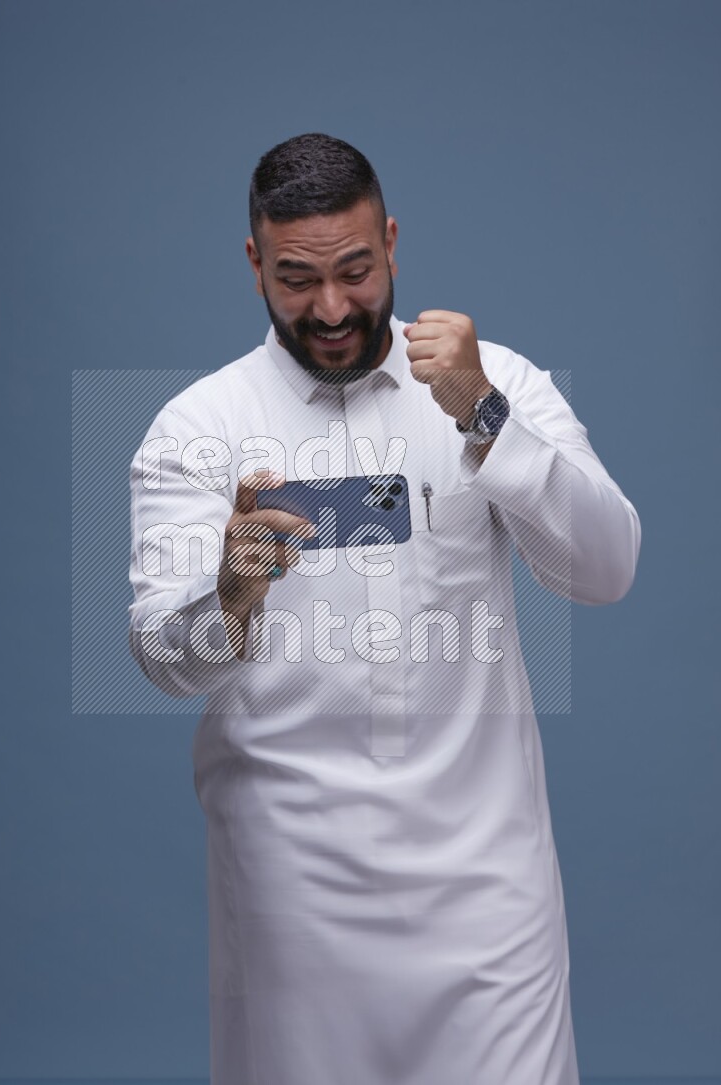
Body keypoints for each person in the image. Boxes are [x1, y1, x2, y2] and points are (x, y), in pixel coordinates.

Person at [128, 133, 640, 1085]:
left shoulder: (500, 386)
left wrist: (486, 417)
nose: (331, 309)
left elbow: (606, 568)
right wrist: (228, 597)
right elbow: (160, 653)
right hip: (293, 902)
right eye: (297, 279)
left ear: (393, 243)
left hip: (490, 895)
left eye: (356, 271)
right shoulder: (195, 429)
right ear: (254, 265)